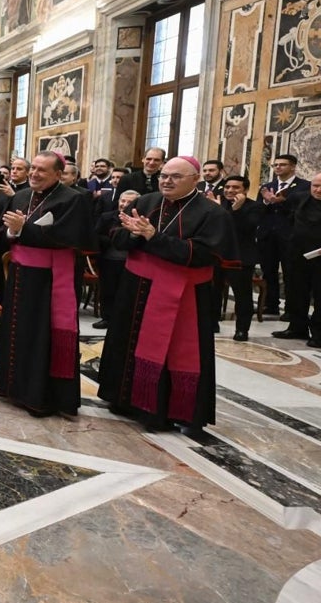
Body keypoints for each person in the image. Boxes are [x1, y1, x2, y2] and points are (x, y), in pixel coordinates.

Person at [97, 157, 238, 437]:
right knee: (127, 343)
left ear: (195, 179)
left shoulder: (212, 213)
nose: (166, 181)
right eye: (163, 175)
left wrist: (153, 236)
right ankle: (124, 399)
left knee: (172, 350)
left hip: (181, 293)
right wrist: (135, 235)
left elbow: (203, 255)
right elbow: (115, 235)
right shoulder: (147, 201)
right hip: (136, 287)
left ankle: (161, 409)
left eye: (175, 176)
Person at [0, 151, 94, 417]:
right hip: (20, 275)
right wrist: (14, 231)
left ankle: (41, 396)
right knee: (17, 329)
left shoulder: (74, 200)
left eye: (42, 171)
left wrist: (25, 228)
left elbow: (73, 237)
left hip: (50, 279)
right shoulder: (20, 195)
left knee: (41, 334)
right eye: (33, 168)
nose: (35, 174)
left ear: (58, 175)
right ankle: (12, 386)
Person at [209, 175, 262, 341]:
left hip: (241, 257)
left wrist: (236, 211)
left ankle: (242, 329)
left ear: (245, 190)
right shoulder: (218, 203)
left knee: (242, 296)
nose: (230, 190)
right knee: (212, 292)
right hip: (217, 255)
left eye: (235, 188)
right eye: (227, 187)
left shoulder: (255, 207)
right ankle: (212, 323)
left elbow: (245, 229)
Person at [259, 154, 310, 320]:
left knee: (291, 273)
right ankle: (270, 305)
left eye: (282, 164)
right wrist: (267, 202)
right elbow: (258, 210)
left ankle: (291, 310)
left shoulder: (304, 186)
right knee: (269, 272)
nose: (278, 168)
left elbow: (303, 211)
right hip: (268, 236)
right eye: (275, 165)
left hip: (290, 236)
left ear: (293, 167)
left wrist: (282, 202)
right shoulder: (268, 186)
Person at [279, 172, 321, 346]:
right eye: (315, 185)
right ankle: (297, 327)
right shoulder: (299, 198)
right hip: (298, 254)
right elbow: (286, 217)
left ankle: (318, 333)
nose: (318, 190)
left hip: (320, 257)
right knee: (297, 292)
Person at [92, 189, 140, 329]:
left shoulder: (141, 220)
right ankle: (107, 318)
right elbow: (96, 235)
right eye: (122, 200)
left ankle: (126, 321)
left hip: (132, 260)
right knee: (108, 290)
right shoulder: (107, 217)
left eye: (129, 202)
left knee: (128, 293)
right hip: (109, 259)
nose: (124, 204)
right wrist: (116, 239)